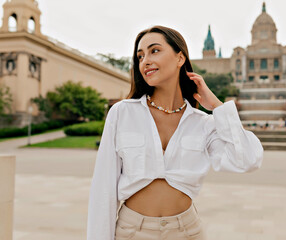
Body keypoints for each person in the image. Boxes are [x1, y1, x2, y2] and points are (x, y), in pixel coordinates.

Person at [86, 25, 263, 240]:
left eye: (154, 50)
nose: (145, 61)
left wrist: (217, 107)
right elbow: (103, 189)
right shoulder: (122, 113)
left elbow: (247, 160)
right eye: (140, 56)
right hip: (132, 231)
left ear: (180, 58)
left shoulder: (203, 123)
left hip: (187, 231)